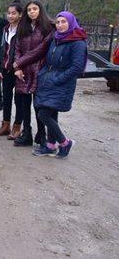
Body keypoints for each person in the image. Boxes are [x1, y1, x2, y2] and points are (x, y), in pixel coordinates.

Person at [32, 11, 87, 158]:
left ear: (71, 23)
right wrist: (43, 74)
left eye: (64, 22)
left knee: (43, 114)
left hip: (62, 83)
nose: (61, 25)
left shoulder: (78, 42)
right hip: (48, 80)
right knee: (51, 114)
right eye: (58, 22)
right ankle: (51, 146)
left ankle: (64, 142)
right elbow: (47, 60)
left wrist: (58, 79)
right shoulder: (56, 39)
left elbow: (77, 67)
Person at [13, 0, 53, 147]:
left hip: (38, 69)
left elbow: (41, 50)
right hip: (22, 71)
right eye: (29, 10)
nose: (31, 12)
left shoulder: (48, 27)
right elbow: (17, 48)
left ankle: (41, 135)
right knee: (23, 104)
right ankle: (27, 133)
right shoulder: (23, 27)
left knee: (38, 104)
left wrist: (19, 63)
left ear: (40, 10)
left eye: (34, 9)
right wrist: (17, 68)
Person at [0, 0, 23, 138]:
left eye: (14, 13)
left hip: (18, 71)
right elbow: (2, 50)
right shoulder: (5, 29)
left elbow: (24, 51)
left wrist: (19, 66)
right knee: (6, 98)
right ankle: (5, 125)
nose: (11, 16)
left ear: (20, 14)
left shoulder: (23, 30)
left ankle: (17, 127)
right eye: (9, 13)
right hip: (5, 70)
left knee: (19, 100)